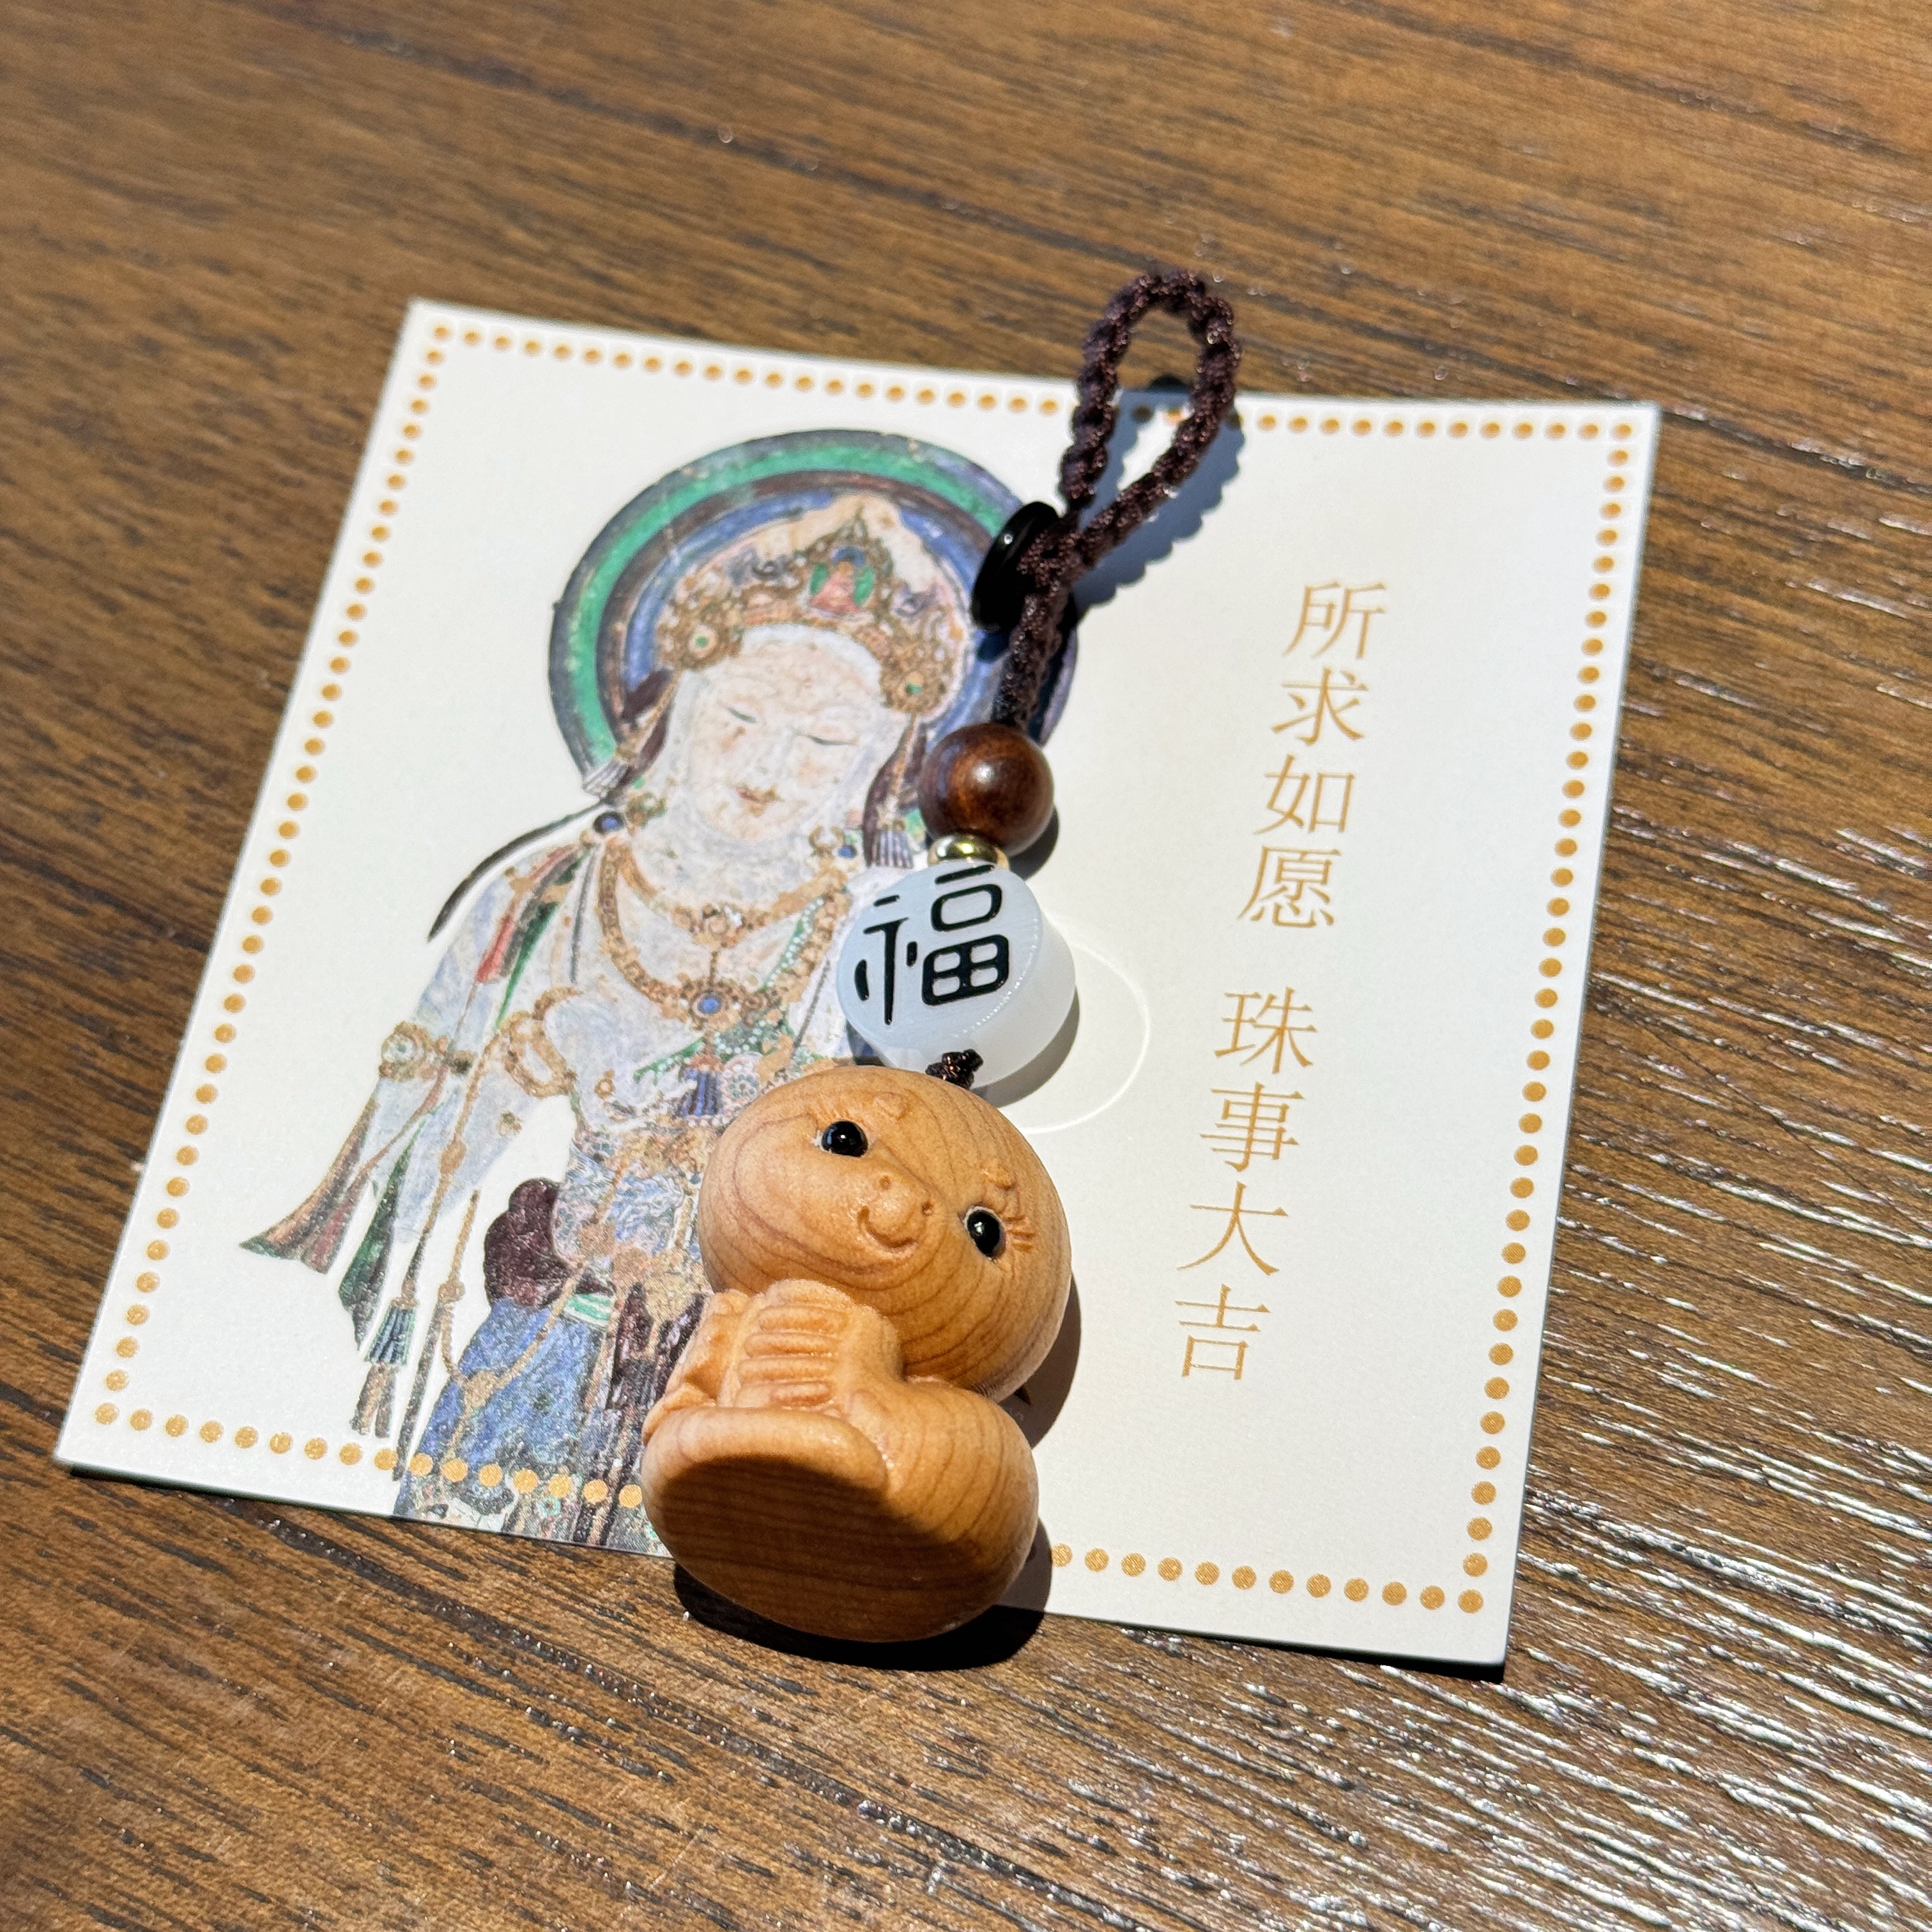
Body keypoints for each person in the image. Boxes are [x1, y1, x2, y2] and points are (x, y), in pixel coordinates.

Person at [245, 480, 1008, 1550]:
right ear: (673, 705)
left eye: (825, 742)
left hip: (754, 1372)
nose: (768, 771)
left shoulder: (879, 934)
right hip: (544, 1341)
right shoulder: (548, 896)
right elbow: (403, 1160)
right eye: (739, 719)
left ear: (880, 763)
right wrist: (525, 1055)